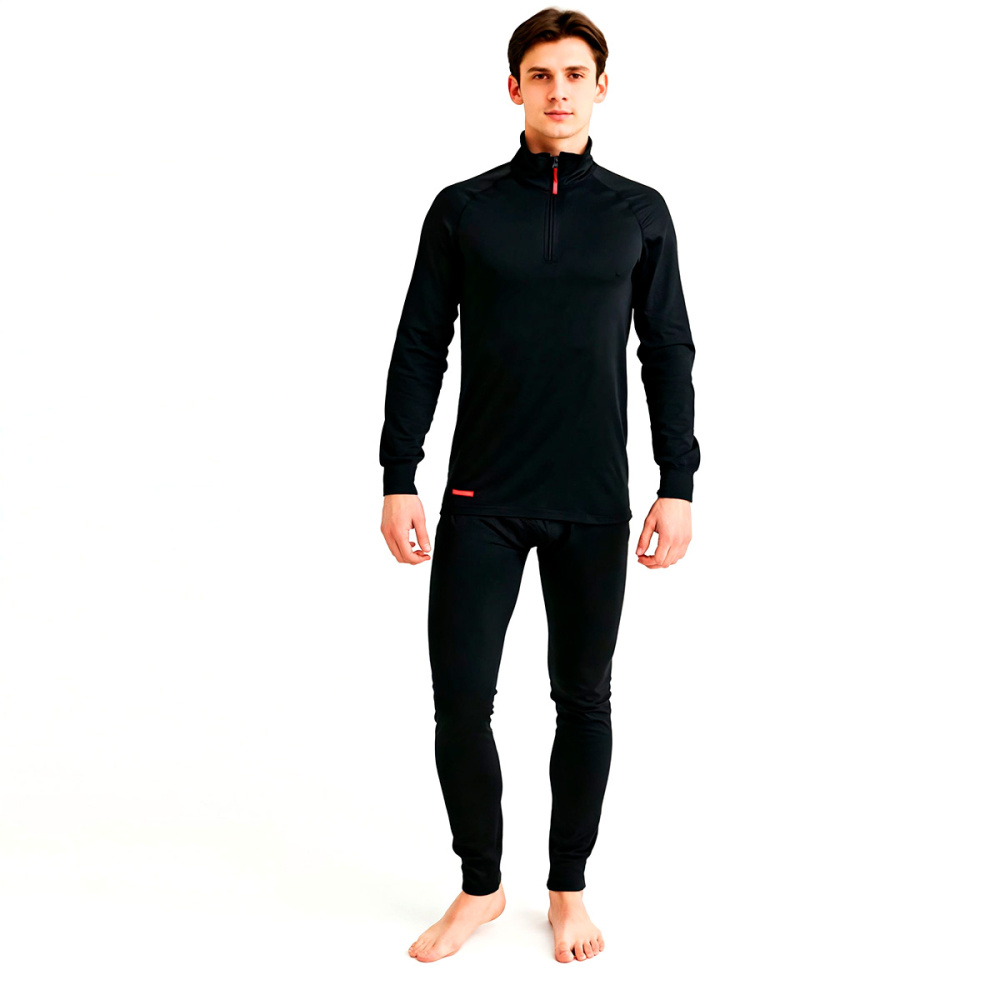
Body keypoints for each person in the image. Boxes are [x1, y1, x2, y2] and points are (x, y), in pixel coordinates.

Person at [378, 7, 700, 964]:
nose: (559, 90)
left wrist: (677, 482)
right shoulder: (465, 209)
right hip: (481, 498)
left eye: (575, 74)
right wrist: (400, 475)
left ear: (602, 87)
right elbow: (419, 344)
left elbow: (668, 350)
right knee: (460, 701)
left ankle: (567, 887)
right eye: (542, 74)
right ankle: (480, 887)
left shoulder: (639, 212)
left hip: (593, 500)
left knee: (585, 700)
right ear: (513, 87)